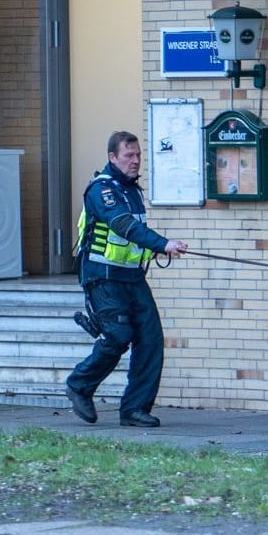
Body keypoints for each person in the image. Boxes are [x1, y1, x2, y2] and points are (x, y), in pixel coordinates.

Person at [65, 130, 188, 428]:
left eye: (138, 155)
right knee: (119, 336)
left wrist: (156, 249)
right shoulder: (102, 190)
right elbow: (122, 225)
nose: (135, 161)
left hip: (132, 278)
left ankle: (134, 409)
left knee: (150, 340)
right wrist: (162, 244)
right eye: (128, 156)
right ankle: (80, 384)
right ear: (112, 158)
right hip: (102, 278)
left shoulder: (133, 189)